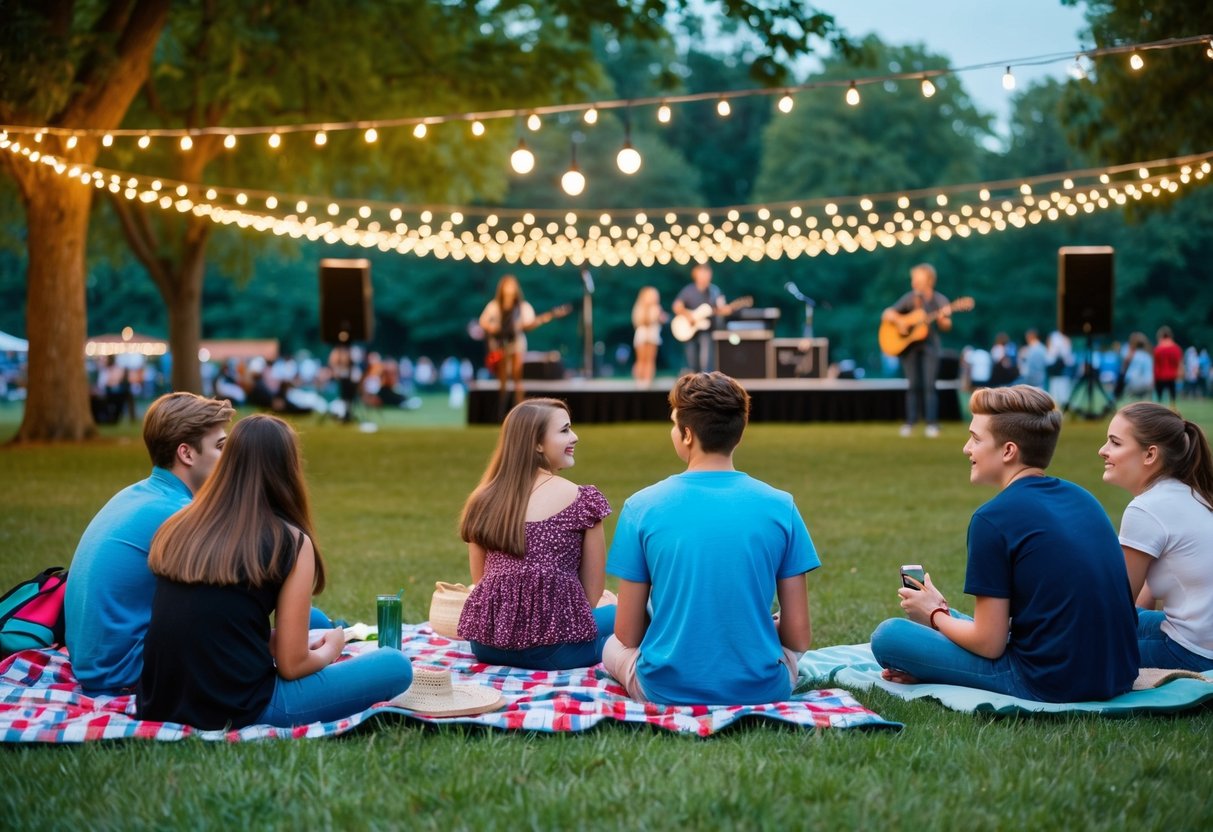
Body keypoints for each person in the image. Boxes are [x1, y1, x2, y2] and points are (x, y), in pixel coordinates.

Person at [137, 415, 412, 729]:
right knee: (394, 666)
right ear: (288, 468)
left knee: (315, 622)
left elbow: (211, 619)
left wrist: (275, 643)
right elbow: (292, 666)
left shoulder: (182, 524)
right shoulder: (289, 541)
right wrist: (332, 651)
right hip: (239, 707)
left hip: (159, 701)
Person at [870, 385, 1139, 702]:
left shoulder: (992, 519)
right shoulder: (1084, 499)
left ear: (1008, 451)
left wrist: (934, 617)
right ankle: (939, 620)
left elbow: (989, 643)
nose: (966, 448)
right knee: (952, 619)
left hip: (1049, 681)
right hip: (1119, 672)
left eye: (976, 438)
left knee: (890, 637)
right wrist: (942, 613)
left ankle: (935, 635)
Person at [603, 372, 818, 705]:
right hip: (762, 689)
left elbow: (628, 634)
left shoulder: (641, 506)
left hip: (663, 689)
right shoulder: (781, 506)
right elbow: (798, 637)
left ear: (687, 435)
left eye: (674, 424)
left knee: (611, 646)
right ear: (739, 432)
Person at [64, 393, 236, 694]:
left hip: (95, 664)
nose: (229, 458)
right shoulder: (177, 514)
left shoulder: (138, 494)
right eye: (220, 447)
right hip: (124, 672)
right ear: (187, 453)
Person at [456, 398, 615, 669]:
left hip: (486, 647)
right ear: (537, 444)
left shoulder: (482, 499)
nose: (574, 437)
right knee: (628, 613)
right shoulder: (581, 500)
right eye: (565, 430)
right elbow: (592, 593)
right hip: (556, 651)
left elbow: (480, 580)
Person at [1099, 402, 1213, 671]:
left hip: (1192, 653)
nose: (1102, 450)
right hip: (1201, 642)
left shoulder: (1147, 509)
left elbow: (1117, 605)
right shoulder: (1191, 494)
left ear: (1150, 455)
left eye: (1115, 443)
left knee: (1068, 647)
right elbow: (1139, 602)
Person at [881, 263, 952, 438]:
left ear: (928, 279)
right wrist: (901, 322)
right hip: (909, 347)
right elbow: (887, 314)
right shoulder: (909, 298)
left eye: (916, 278)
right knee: (913, 385)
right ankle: (911, 422)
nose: (913, 281)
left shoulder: (939, 300)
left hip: (930, 346)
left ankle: (932, 424)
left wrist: (943, 320)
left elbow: (947, 325)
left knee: (929, 384)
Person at [479, 275, 537, 412]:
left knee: (517, 376)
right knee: (503, 379)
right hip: (500, 346)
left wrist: (523, 326)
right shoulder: (494, 306)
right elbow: (483, 321)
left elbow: (530, 322)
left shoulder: (522, 307)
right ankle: (501, 409)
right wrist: (493, 328)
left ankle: (520, 409)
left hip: (516, 344)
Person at [672, 263, 728, 374]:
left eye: (707, 274)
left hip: (707, 330)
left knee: (706, 363)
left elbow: (721, 307)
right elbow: (676, 306)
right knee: (691, 363)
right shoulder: (688, 290)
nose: (705, 277)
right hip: (690, 330)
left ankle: (706, 386)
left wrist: (724, 311)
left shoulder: (715, 291)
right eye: (702, 274)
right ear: (696, 275)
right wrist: (688, 316)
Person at [631, 286, 667, 387]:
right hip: (642, 334)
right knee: (641, 359)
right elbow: (640, 321)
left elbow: (662, 319)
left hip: (653, 334)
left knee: (650, 359)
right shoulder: (640, 307)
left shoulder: (657, 308)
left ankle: (647, 381)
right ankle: (639, 381)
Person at [1152, 326, 1183, 406]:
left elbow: (1155, 364)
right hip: (1172, 375)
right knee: (1172, 396)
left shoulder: (1158, 349)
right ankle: (1173, 408)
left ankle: (1159, 410)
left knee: (1159, 398)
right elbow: (1179, 363)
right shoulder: (1176, 348)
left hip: (1159, 376)